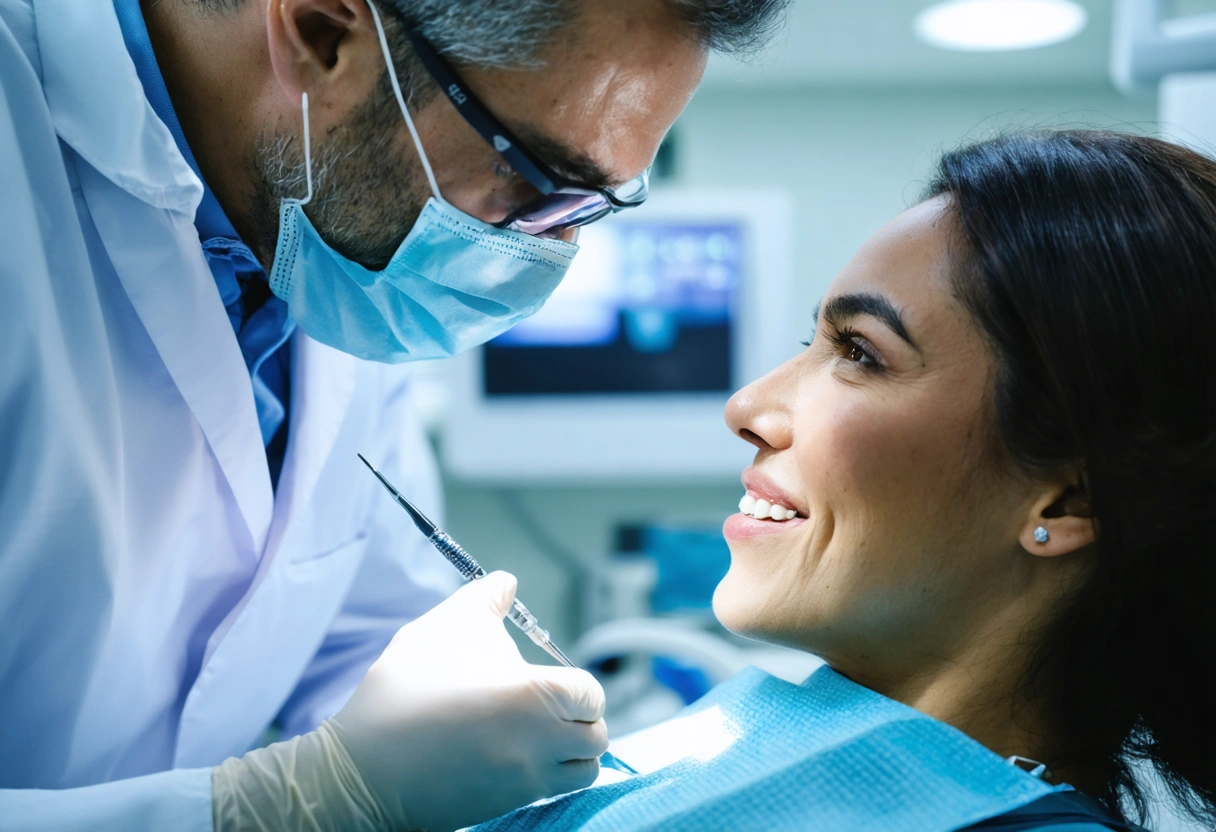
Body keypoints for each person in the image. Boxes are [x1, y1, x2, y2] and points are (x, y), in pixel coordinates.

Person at [0, 0, 787, 830]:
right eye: (528, 175)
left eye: (589, 206)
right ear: (319, 32)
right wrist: (286, 807)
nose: (544, 256)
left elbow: (368, 642)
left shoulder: (330, 242)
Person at [471, 131, 1216, 831]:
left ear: (1068, 499)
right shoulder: (778, 752)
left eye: (862, 352)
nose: (747, 408)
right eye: (813, 341)